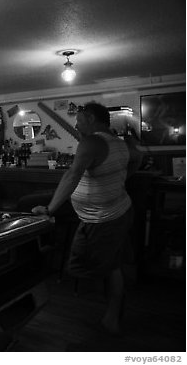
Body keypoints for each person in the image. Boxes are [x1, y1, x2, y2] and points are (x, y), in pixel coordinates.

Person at [31, 101, 142, 335]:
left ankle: (113, 315)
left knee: (101, 266)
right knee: (113, 264)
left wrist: (50, 210)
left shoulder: (91, 142)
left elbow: (72, 176)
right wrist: (121, 177)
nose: (76, 123)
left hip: (105, 219)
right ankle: (114, 310)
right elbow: (137, 158)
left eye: (79, 119)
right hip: (116, 212)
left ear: (91, 118)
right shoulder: (118, 142)